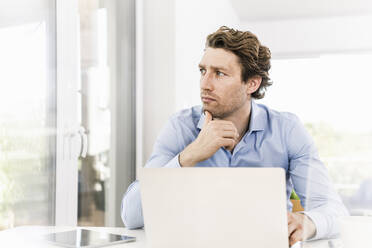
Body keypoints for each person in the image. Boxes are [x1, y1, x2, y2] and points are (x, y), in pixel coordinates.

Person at [121, 26, 349, 246]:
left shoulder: (287, 129)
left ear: (252, 83)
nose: (204, 84)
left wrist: (308, 222)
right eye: (203, 71)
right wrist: (188, 156)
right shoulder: (180, 127)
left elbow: (334, 211)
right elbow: (131, 216)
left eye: (219, 74)